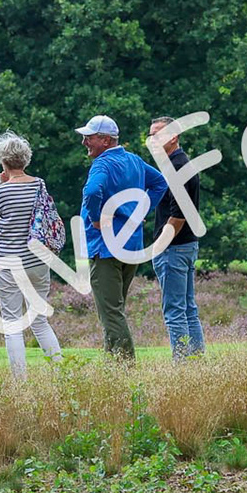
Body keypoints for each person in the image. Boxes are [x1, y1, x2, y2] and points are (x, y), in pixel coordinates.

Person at [76, 115, 167, 361]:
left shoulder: (102, 165)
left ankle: (124, 369)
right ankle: (111, 367)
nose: (85, 141)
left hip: (105, 248)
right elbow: (160, 183)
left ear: (105, 140)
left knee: (111, 314)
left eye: (90, 137)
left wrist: (95, 218)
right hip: (131, 248)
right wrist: (141, 211)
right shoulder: (135, 161)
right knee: (115, 310)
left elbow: (93, 191)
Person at [0, 132, 63, 378]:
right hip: (38, 260)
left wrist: (4, 182)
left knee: (12, 323)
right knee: (39, 320)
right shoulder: (40, 184)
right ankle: (62, 374)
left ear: (2, 161)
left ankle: (20, 383)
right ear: (25, 159)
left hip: (10, 262)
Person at [149, 117, 205, 360]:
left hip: (174, 248)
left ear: (173, 137)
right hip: (186, 245)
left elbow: (178, 216)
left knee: (175, 312)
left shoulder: (178, 168)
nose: (152, 140)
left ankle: (182, 365)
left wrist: (157, 247)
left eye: (158, 134)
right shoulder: (176, 164)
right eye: (151, 135)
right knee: (188, 309)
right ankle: (196, 360)